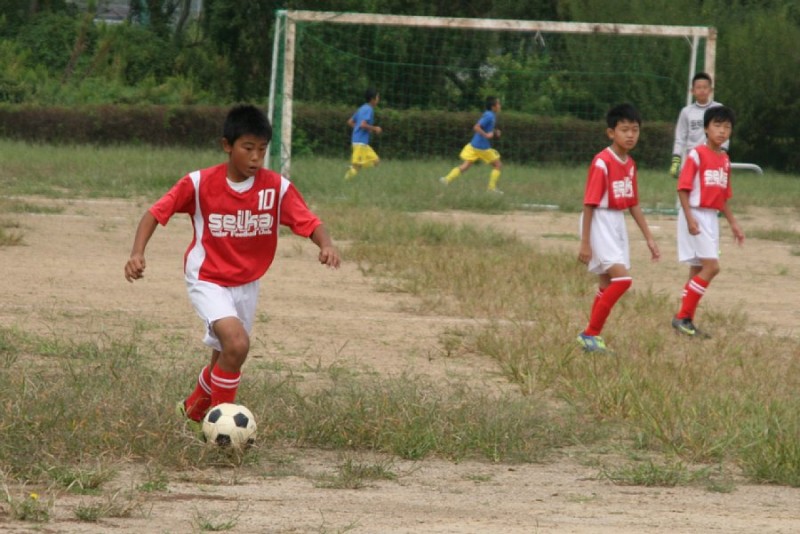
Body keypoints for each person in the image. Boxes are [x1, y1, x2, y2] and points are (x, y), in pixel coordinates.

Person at [124, 104, 341, 433]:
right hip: (207, 277)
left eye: (262, 150)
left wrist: (326, 244)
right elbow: (155, 213)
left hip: (247, 282)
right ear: (227, 145)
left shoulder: (276, 188)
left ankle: (193, 409)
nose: (256, 158)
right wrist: (137, 253)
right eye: (248, 148)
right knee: (237, 344)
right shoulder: (200, 183)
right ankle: (220, 429)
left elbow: (310, 222)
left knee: (227, 355)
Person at [577, 103, 660, 353]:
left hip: (616, 222)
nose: (631, 135)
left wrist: (649, 237)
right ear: (611, 133)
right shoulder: (602, 162)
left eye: (635, 129)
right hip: (599, 221)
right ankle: (589, 333)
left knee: (606, 284)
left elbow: (633, 203)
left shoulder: (630, 163)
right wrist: (585, 242)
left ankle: (592, 337)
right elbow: (589, 203)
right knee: (623, 280)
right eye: (625, 130)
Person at [672, 105, 744, 337]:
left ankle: (686, 320)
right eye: (717, 125)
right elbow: (682, 189)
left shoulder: (725, 159)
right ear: (706, 128)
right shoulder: (696, 154)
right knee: (712, 267)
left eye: (727, 127)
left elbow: (722, 197)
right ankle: (682, 317)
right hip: (695, 214)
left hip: (711, 217)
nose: (722, 131)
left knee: (697, 269)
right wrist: (690, 219)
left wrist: (733, 223)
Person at [439, 96, 503, 193]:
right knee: (498, 165)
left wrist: (494, 131)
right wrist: (486, 135)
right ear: (493, 106)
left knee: (465, 166)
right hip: (482, 147)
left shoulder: (490, 114)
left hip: (474, 145)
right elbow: (476, 127)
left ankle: (446, 179)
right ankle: (491, 188)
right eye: (498, 103)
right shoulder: (489, 116)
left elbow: (485, 127)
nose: (500, 105)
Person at [670, 72, 727, 178]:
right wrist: (676, 158)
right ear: (692, 91)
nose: (702, 90)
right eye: (699, 87)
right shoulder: (686, 112)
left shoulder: (718, 109)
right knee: (688, 186)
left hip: (712, 157)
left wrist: (723, 151)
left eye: (705, 87)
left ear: (710, 90)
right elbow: (680, 137)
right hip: (692, 157)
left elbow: (724, 132)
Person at [344, 87, 382, 181]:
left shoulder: (361, 108)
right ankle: (346, 179)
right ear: (372, 99)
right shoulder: (369, 109)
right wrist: (375, 128)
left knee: (376, 161)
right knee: (357, 167)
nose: (378, 99)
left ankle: (354, 167)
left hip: (360, 143)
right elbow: (363, 124)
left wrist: (361, 128)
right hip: (360, 143)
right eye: (377, 97)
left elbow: (350, 122)